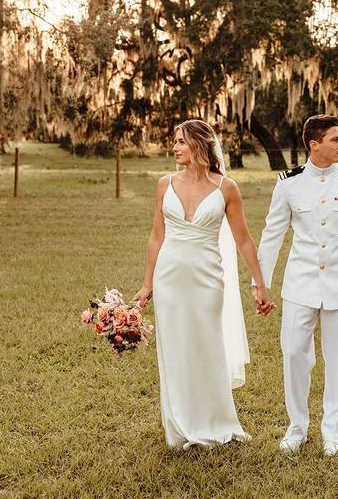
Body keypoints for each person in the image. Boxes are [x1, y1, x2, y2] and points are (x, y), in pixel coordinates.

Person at [134, 119, 275, 449]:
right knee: (174, 348)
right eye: (174, 141)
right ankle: (180, 422)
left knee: (207, 346)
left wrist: (260, 283)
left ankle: (215, 420)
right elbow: (157, 236)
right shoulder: (164, 184)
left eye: (181, 141)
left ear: (199, 145)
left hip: (207, 278)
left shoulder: (227, 188)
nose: (175, 147)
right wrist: (147, 284)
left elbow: (243, 240)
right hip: (169, 277)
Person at [255, 114, 338, 457]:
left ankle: (333, 433)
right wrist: (260, 284)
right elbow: (272, 235)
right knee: (294, 356)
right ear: (314, 144)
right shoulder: (288, 184)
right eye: (336, 139)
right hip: (300, 286)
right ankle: (297, 428)